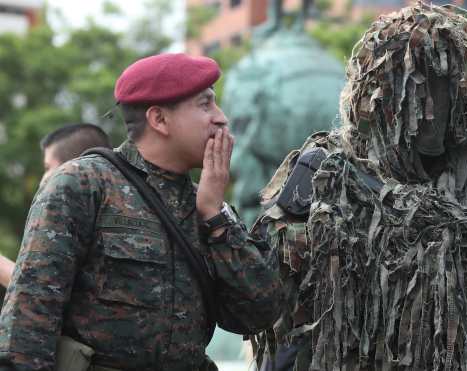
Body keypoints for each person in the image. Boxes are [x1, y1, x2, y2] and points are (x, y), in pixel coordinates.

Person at [252, 3, 467, 370]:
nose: (432, 111)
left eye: (445, 89)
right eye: (418, 93)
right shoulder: (329, 172)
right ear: (379, 96)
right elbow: (278, 303)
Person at [0, 53, 281, 371]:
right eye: (205, 105)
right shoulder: (85, 184)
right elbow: (29, 318)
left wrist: (215, 219)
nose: (221, 118)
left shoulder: (207, 205)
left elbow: (259, 313)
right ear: (159, 119)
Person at [0, 123, 112, 289]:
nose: (43, 178)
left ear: (70, 168)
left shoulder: (65, 213)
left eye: (47, 167)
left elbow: (37, 290)